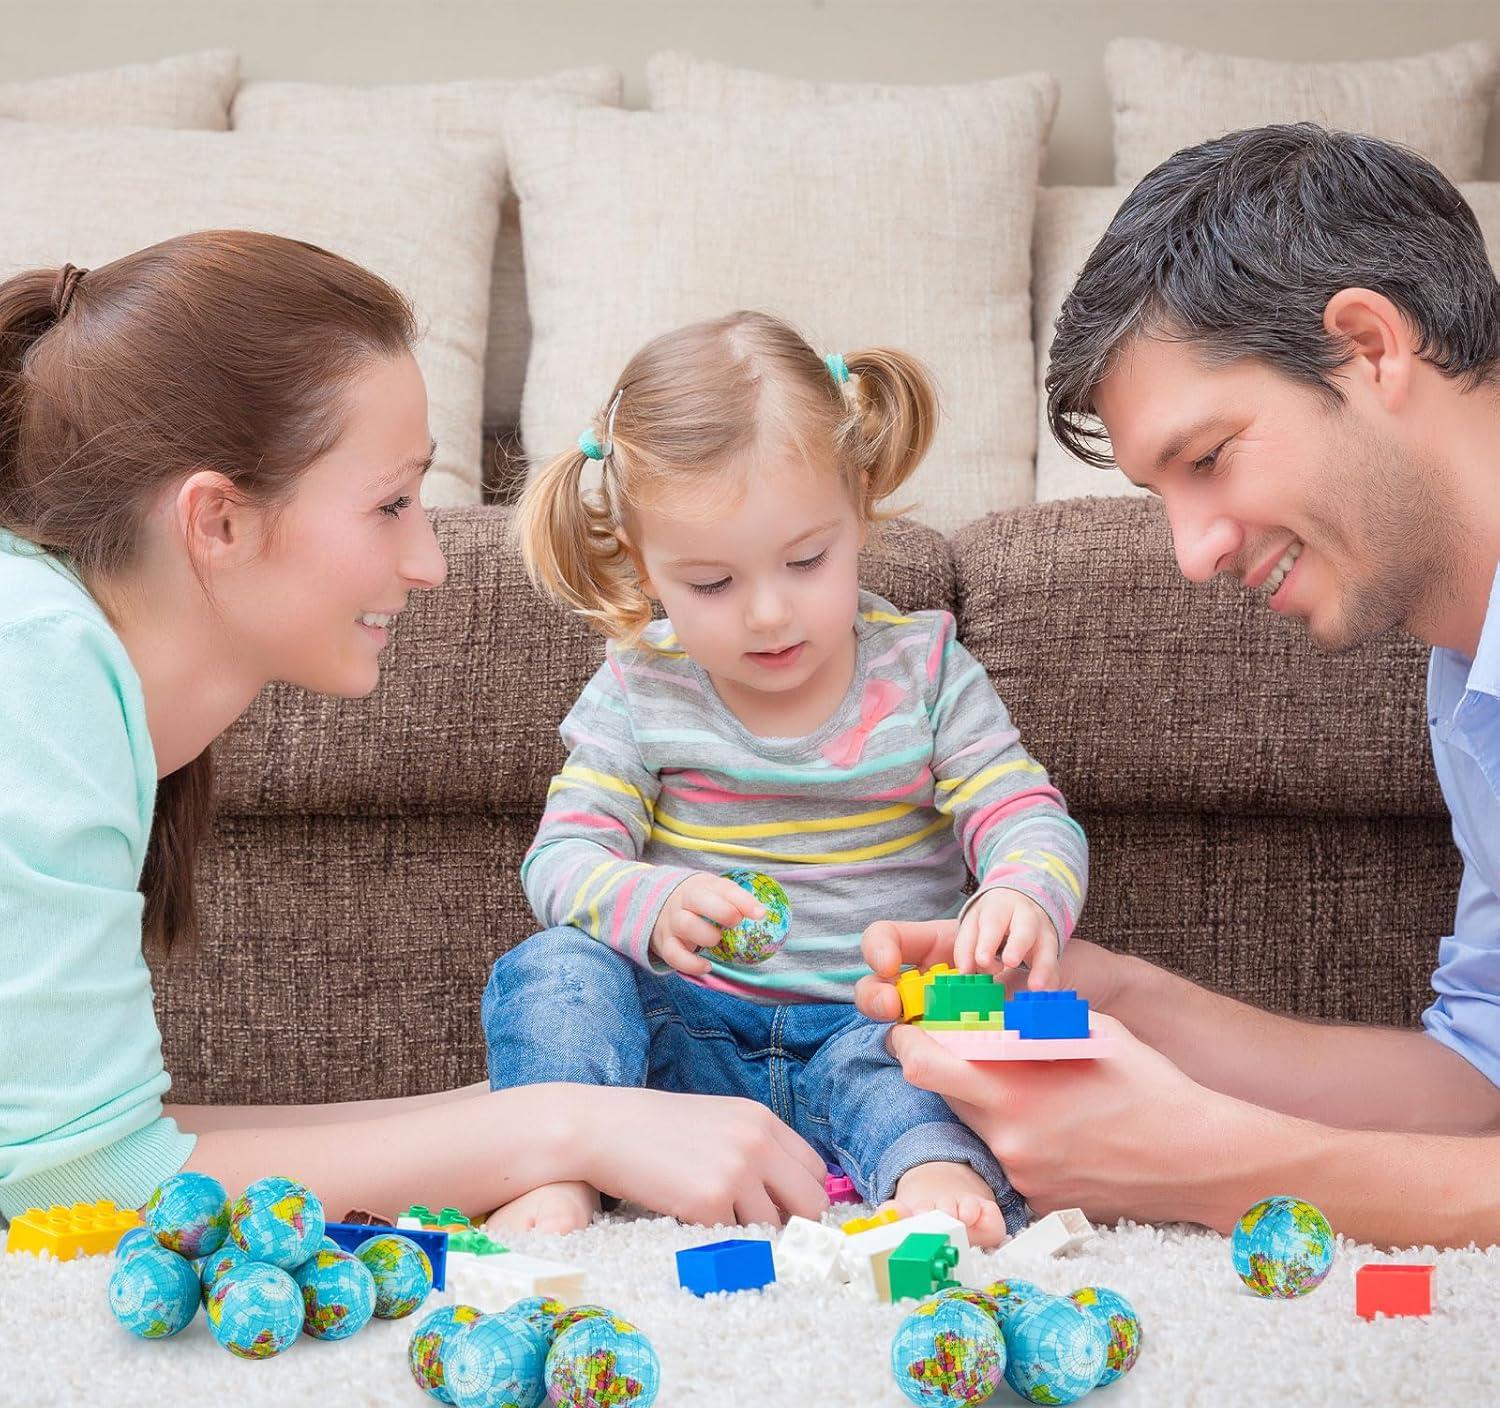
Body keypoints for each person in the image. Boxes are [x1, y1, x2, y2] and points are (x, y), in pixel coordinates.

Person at [0, 231, 830, 1229]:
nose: (430, 561)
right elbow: (66, 1190)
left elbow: (82, 1144)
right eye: (391, 503)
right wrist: (561, 1129)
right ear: (217, 521)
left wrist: (546, 1117)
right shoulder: (38, 664)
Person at [855, 124, 1500, 1249]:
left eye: (1209, 458)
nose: (1194, 555)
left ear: (1368, 345)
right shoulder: (1468, 684)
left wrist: (1217, 1172)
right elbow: (1478, 1085)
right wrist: (1124, 1005)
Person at [483, 309, 1088, 1240]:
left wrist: (1022, 892)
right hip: (683, 1046)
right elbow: (560, 858)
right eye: (711, 584)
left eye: (807, 560)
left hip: (871, 1030)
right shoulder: (641, 686)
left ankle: (929, 1173)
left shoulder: (922, 672)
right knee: (552, 969)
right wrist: (647, 898)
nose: (768, 614)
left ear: (860, 508)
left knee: (929, 1065)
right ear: (643, 567)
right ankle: (554, 1168)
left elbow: (1026, 815)